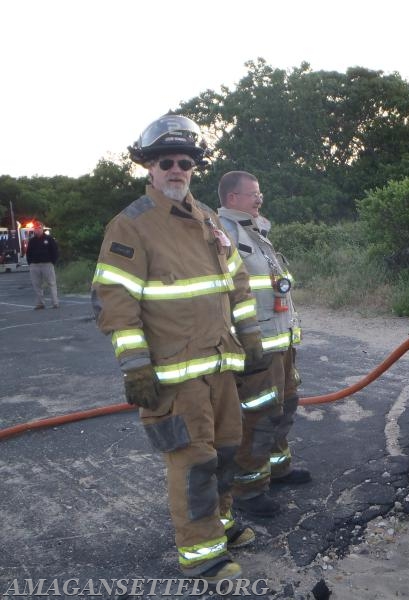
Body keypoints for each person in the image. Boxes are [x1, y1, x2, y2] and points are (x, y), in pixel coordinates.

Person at [91, 115, 270, 583]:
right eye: (165, 161)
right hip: (173, 374)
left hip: (220, 365)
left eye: (185, 162)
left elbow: (238, 284)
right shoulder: (132, 226)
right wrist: (135, 367)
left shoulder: (210, 220)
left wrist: (250, 338)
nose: (176, 169)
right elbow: (114, 300)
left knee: (227, 451)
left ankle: (221, 523)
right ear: (148, 166)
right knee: (194, 461)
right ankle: (200, 552)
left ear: (194, 168)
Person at [216, 171, 310, 520]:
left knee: (285, 405)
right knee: (258, 416)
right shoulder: (223, 234)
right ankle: (249, 489)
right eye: (252, 194)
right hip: (256, 346)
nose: (259, 199)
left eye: (260, 193)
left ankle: (278, 469)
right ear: (232, 199)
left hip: (280, 342)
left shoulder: (256, 234)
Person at [25, 223, 59, 309]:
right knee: (37, 285)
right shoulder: (32, 241)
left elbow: (55, 250)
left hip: (47, 264)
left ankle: (55, 302)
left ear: (42, 229)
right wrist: (30, 263)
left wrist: (52, 262)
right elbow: (28, 252)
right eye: (36, 228)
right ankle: (40, 303)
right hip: (35, 265)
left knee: (51, 283)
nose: (37, 230)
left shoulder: (49, 239)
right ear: (34, 230)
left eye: (39, 228)